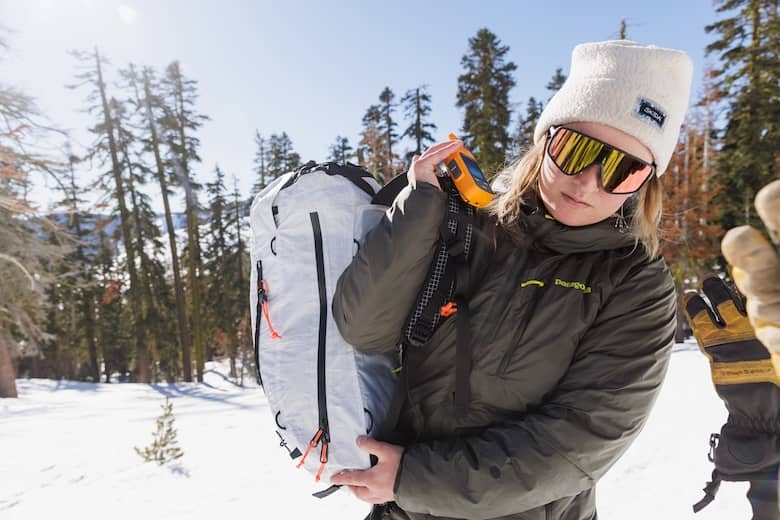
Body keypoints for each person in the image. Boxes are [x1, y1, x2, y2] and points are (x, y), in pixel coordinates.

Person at [330, 40, 693, 520]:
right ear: (545, 140)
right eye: (576, 149)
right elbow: (362, 329)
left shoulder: (635, 285)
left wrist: (414, 479)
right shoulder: (467, 223)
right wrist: (418, 209)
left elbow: (579, 443)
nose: (587, 182)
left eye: (622, 170)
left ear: (646, 183)